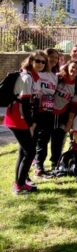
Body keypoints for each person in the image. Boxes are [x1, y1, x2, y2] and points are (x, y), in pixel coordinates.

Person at [4, 51, 47, 194]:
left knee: (24, 152)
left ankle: (19, 182)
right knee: (30, 151)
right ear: (31, 61)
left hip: (21, 118)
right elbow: (24, 104)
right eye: (38, 61)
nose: (41, 64)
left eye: (43, 62)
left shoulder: (34, 77)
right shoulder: (27, 77)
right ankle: (19, 185)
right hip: (18, 119)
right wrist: (30, 124)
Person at [52, 60, 77, 170]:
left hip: (63, 114)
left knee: (58, 138)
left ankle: (55, 163)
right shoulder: (57, 78)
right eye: (73, 67)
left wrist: (70, 122)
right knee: (44, 138)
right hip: (48, 112)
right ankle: (38, 163)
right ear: (67, 66)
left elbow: (74, 106)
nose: (74, 70)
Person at [33, 48, 60, 176]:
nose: (54, 60)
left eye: (56, 57)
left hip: (48, 112)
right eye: (51, 57)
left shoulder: (54, 76)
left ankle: (39, 166)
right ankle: (37, 166)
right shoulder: (36, 73)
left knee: (44, 139)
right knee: (35, 139)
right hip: (35, 111)